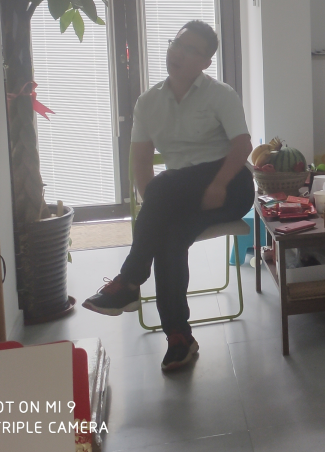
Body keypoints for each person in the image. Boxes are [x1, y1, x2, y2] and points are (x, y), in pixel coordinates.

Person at [82, 21, 254, 372]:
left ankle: (130, 281)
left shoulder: (220, 94)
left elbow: (242, 146)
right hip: (180, 192)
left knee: (163, 187)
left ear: (205, 62)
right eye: (177, 44)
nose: (178, 53)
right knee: (169, 238)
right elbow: (141, 162)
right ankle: (179, 337)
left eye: (191, 50)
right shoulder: (148, 103)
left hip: (229, 185)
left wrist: (218, 184)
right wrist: (156, 210)